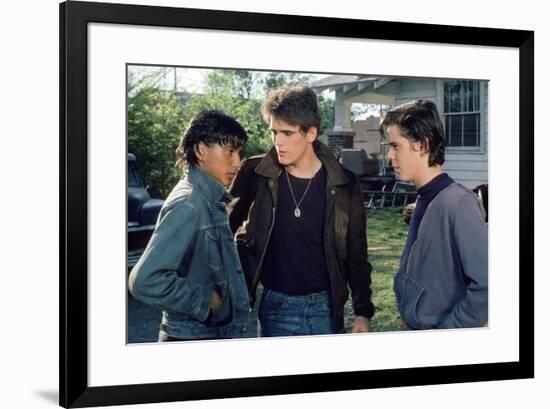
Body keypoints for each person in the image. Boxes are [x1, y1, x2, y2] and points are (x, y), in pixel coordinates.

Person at [229, 84, 374, 337]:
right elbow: (222, 232)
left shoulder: (344, 183)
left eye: (287, 133)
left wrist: (362, 311)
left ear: (311, 133)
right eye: (274, 132)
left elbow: (356, 251)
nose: (278, 142)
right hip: (276, 307)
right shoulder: (255, 173)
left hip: (326, 309)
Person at [129, 110, 250, 341]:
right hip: (193, 339)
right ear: (201, 150)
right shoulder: (189, 203)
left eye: (239, 152)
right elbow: (144, 281)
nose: (237, 161)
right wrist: (208, 301)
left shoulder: (207, 198)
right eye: (230, 151)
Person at [380, 99, 488, 329]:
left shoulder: (458, 204)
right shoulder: (424, 197)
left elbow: (487, 286)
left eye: (395, 146)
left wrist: (446, 335)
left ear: (422, 145)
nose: (389, 155)